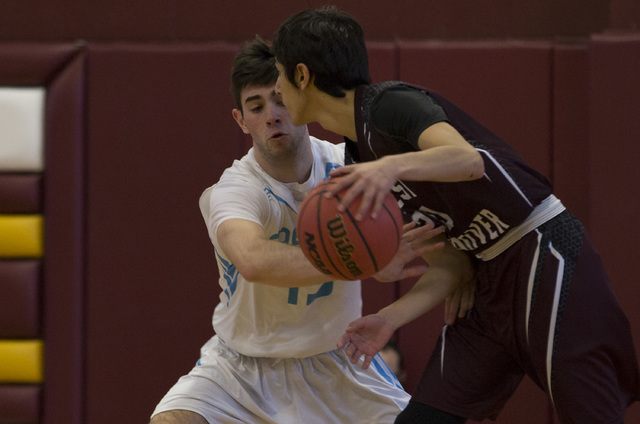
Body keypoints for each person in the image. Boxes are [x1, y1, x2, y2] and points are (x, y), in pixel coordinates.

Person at [272, 7, 640, 424]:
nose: (279, 90)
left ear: (302, 75)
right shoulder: (361, 155)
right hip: (487, 284)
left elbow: (468, 160)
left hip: (540, 251)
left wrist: (392, 167)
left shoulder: (388, 105)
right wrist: (388, 320)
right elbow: (449, 264)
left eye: (280, 76)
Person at [148, 36, 467, 424]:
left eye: (279, 99)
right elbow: (252, 260)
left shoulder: (351, 169)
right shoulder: (233, 190)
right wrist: (363, 261)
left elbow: (450, 262)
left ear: (298, 100)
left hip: (337, 360)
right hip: (241, 370)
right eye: (256, 106)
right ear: (241, 120)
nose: (272, 115)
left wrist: (402, 307)